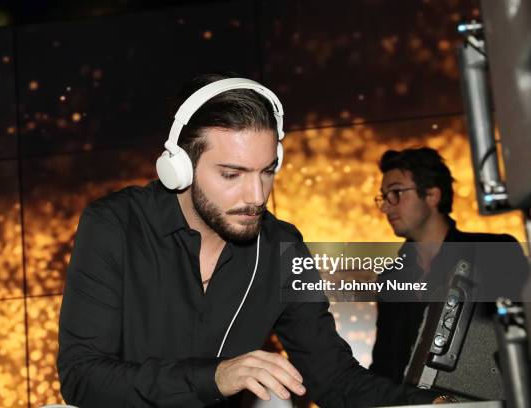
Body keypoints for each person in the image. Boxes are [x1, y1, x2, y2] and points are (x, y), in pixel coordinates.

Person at [57, 74, 447, 407]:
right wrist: (216, 377)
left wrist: (434, 405)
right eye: (232, 174)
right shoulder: (116, 225)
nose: (256, 196)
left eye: (267, 171)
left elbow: (333, 378)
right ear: (179, 167)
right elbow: (82, 376)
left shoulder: (282, 246)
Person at [370, 147, 528, 383]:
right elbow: (386, 365)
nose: (385, 206)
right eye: (383, 196)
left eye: (395, 193)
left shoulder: (495, 252)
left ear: (432, 195)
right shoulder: (390, 278)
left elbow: (520, 340)